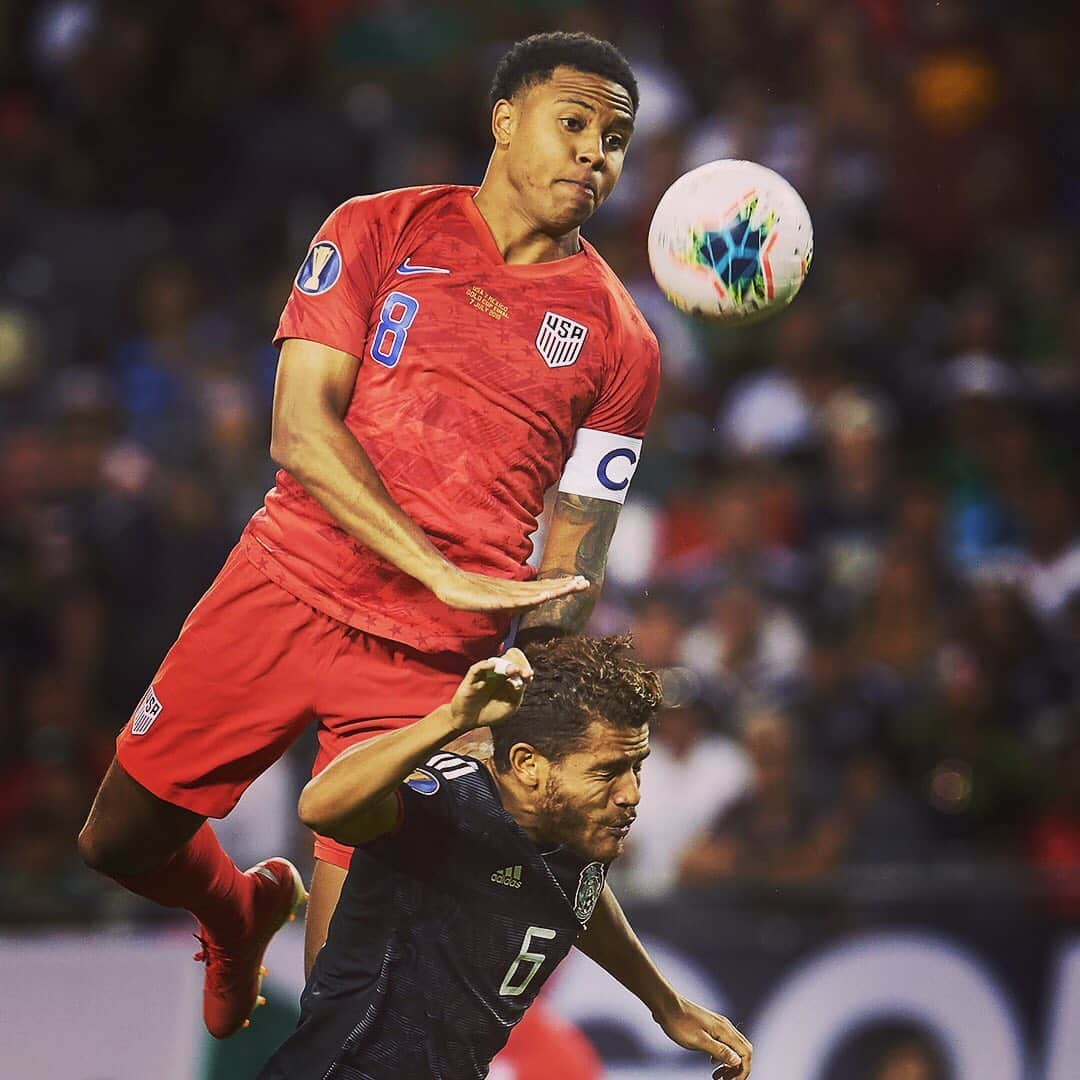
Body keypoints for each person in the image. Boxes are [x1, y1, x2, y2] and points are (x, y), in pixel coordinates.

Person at [77, 30, 661, 1039]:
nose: (593, 154)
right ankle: (236, 905)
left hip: (432, 667)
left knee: (349, 1002)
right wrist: (441, 567)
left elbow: (578, 548)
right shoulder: (378, 229)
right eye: (575, 123)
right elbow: (298, 432)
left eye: (614, 138)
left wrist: (542, 698)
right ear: (506, 118)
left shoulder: (623, 341)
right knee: (118, 840)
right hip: (286, 582)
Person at [259, 636, 751, 1080]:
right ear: (527, 764)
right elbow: (319, 807)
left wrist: (664, 1004)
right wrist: (453, 718)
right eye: (608, 772)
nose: (631, 794)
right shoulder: (445, 803)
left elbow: (577, 895)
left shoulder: (575, 829)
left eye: (637, 767)